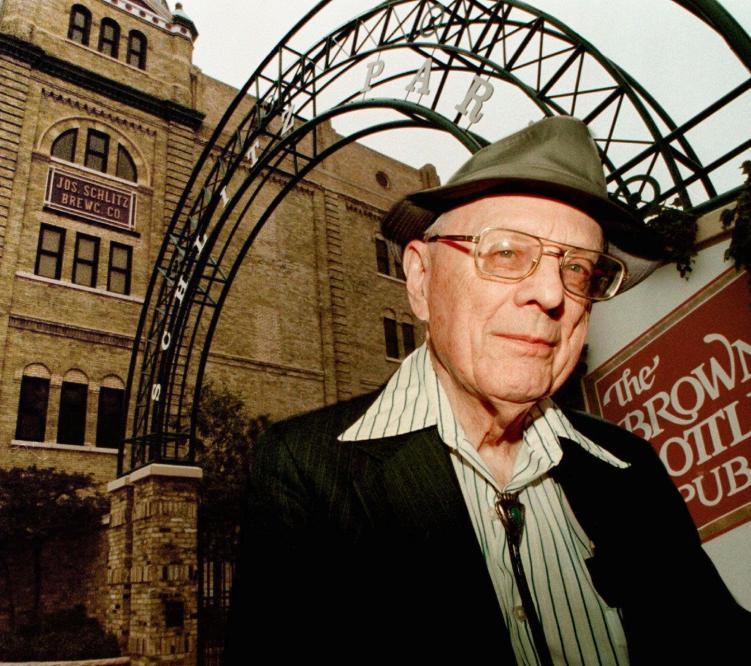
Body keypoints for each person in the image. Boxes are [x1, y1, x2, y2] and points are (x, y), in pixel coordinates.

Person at [224, 116, 750, 665]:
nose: (553, 294)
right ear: (422, 280)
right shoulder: (309, 475)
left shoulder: (629, 468)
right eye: (505, 253)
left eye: (579, 269)